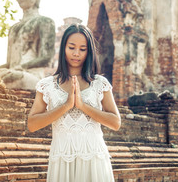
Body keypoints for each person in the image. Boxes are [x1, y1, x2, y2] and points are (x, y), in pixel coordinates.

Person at [27, 24, 121, 182]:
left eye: (82, 49)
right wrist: (66, 106)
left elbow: (115, 122)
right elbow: (32, 124)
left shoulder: (99, 83)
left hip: (94, 158)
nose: (76, 53)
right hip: (62, 159)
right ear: (64, 47)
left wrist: (83, 106)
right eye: (71, 47)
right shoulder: (47, 85)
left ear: (88, 51)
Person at [0, 0, 55, 90]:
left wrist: (20, 68)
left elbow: (46, 59)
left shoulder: (44, 22)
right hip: (11, 72)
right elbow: (9, 63)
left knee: (13, 77)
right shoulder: (13, 28)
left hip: (31, 76)